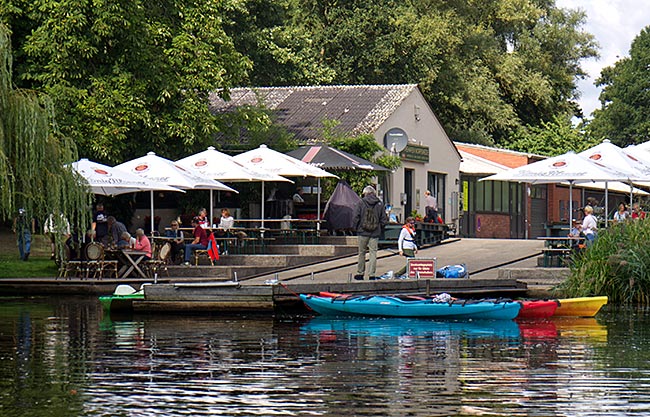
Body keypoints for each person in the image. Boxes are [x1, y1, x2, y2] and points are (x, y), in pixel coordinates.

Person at [352, 185, 388, 280]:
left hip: (362, 232)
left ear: (365, 193)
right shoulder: (379, 204)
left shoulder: (360, 203)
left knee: (361, 253)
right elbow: (384, 219)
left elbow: (356, 217)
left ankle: (360, 273)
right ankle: (371, 274)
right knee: (373, 253)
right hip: (375, 233)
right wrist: (379, 228)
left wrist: (355, 228)